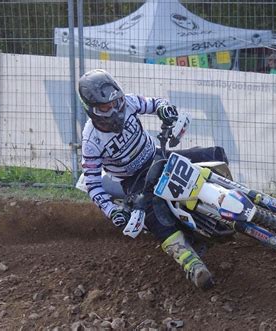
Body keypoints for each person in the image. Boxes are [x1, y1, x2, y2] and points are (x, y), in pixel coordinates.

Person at [78, 69, 228, 290]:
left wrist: (165, 109)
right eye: (105, 107)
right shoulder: (91, 140)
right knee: (154, 214)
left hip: (158, 156)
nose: (115, 109)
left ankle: (235, 203)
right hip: (134, 180)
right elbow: (92, 183)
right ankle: (192, 264)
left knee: (213, 155)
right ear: (92, 110)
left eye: (116, 102)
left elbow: (155, 103)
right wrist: (113, 212)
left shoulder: (128, 102)